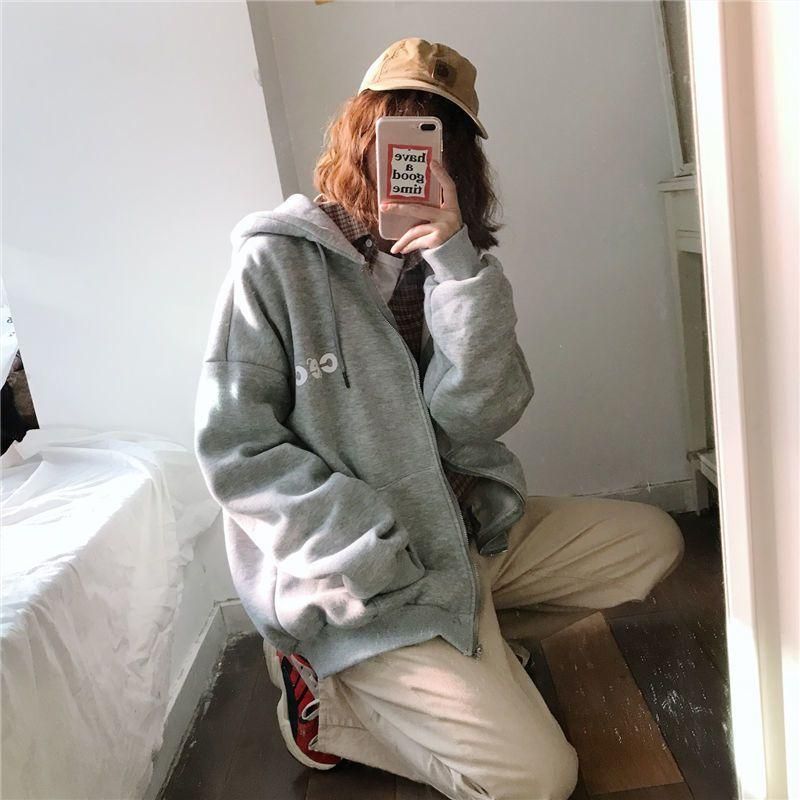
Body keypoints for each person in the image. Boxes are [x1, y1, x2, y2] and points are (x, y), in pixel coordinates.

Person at [193, 37, 684, 800]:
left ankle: (470, 659)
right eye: (399, 130)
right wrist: (366, 551)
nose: (417, 161)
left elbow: (482, 416)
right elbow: (237, 451)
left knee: (649, 543)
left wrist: (459, 270)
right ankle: (329, 695)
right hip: (364, 577)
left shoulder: (454, 268)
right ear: (359, 136)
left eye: (441, 138)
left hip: (463, 539)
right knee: (540, 779)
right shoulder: (275, 264)